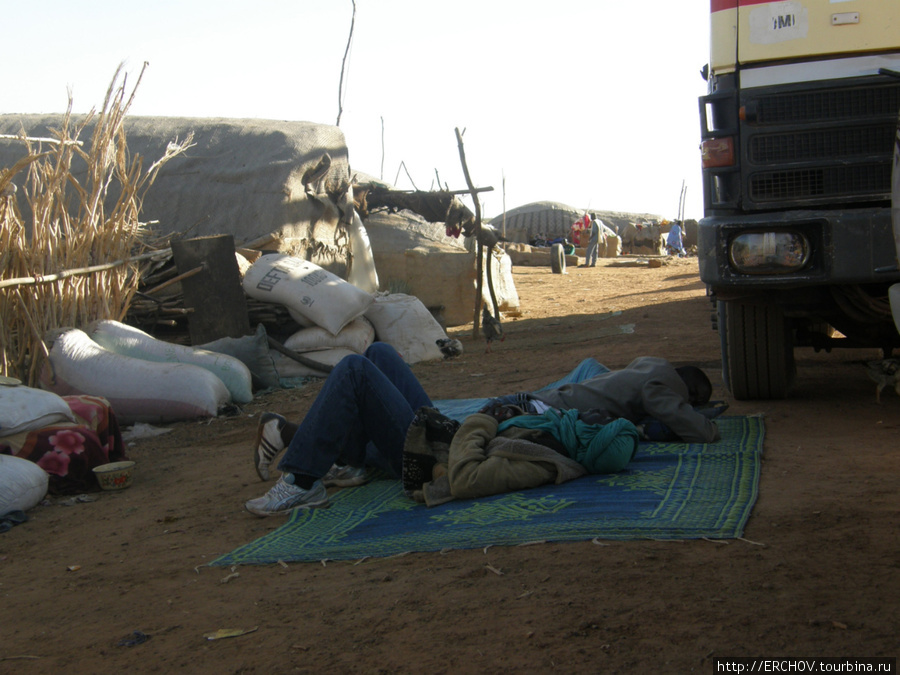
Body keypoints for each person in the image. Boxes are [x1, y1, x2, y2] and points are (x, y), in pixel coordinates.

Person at [245, 346, 720, 516]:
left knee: (354, 369)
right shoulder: (640, 399)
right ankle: (347, 459)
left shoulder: (641, 378)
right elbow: (697, 429)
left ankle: (303, 481)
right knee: (380, 354)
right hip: (456, 435)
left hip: (445, 451)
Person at [530, 356, 721, 443]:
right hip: (552, 410)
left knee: (592, 366)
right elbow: (700, 431)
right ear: (691, 396)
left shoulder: (651, 363)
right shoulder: (662, 388)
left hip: (557, 396)